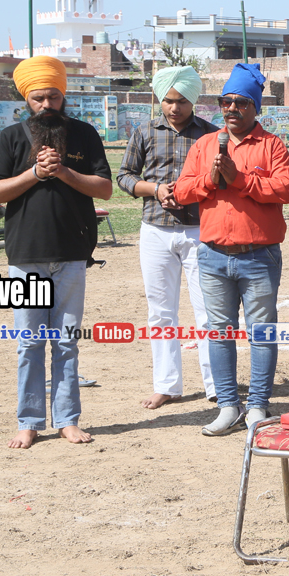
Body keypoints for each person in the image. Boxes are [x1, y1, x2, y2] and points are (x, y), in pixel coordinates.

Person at [0, 56, 113, 449]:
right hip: (26, 257)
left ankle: (68, 420)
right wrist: (35, 174)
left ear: (64, 96)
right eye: (38, 98)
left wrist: (64, 172)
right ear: (26, 99)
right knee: (29, 344)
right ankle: (29, 421)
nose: (46, 105)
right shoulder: (11, 138)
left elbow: (105, 189)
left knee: (66, 342)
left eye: (53, 97)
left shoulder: (84, 134)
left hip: (72, 255)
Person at [174, 63, 289, 435]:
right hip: (212, 256)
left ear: (255, 107)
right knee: (219, 332)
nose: (231, 108)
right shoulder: (204, 144)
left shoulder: (272, 145)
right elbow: (181, 192)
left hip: (259, 257)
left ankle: (257, 405)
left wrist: (240, 179)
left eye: (241, 102)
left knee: (261, 333)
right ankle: (228, 405)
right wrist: (211, 179)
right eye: (225, 101)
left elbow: (286, 190)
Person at [117, 65, 218, 410]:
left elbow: (220, 182)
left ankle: (216, 385)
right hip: (155, 231)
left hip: (200, 231)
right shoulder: (144, 131)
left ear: (194, 101)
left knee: (207, 310)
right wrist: (156, 189)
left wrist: (191, 194)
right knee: (160, 312)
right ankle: (167, 385)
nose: (174, 108)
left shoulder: (211, 135)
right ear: (160, 99)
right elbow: (125, 176)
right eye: (168, 101)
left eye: (182, 101)